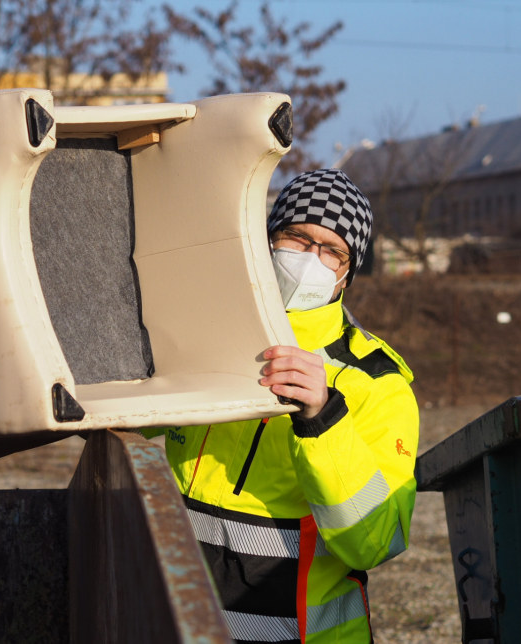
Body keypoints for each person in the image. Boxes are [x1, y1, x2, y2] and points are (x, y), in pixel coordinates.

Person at [145, 169, 418, 643]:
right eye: (296, 236)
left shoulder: (377, 383)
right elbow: (127, 441)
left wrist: (324, 420)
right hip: (179, 618)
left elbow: (374, 542)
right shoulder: (202, 330)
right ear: (266, 239)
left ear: (346, 275)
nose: (309, 258)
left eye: (331, 250)